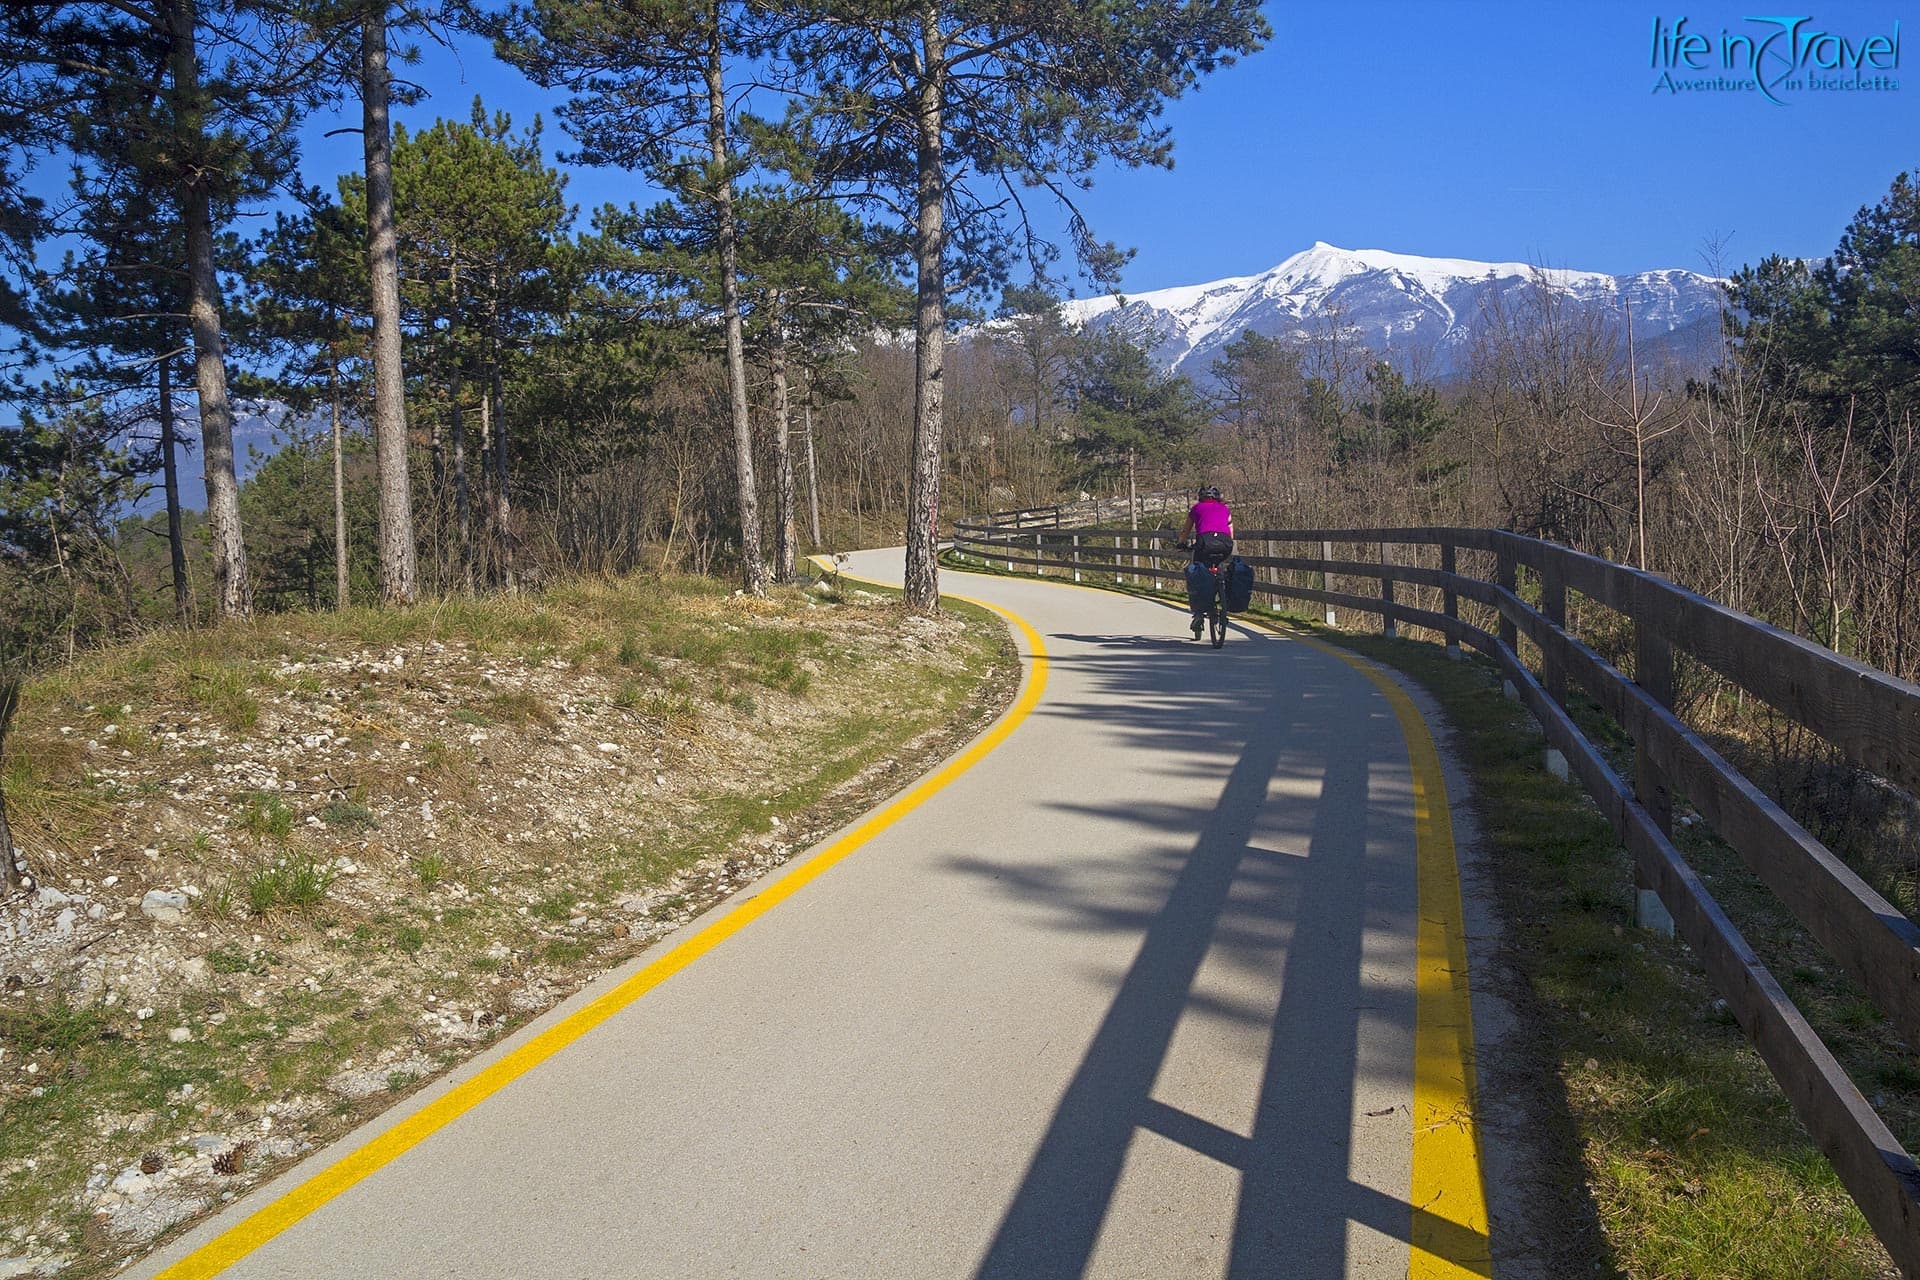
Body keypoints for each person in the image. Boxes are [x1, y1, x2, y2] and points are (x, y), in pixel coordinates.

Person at [1178, 485, 1233, 639]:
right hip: (1225, 545)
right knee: (1220, 569)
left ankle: (1198, 614)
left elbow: (1186, 531)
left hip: (1204, 545)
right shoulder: (1225, 509)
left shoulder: (1196, 509)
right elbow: (1231, 532)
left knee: (1197, 573)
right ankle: (1222, 599)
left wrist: (1181, 543)